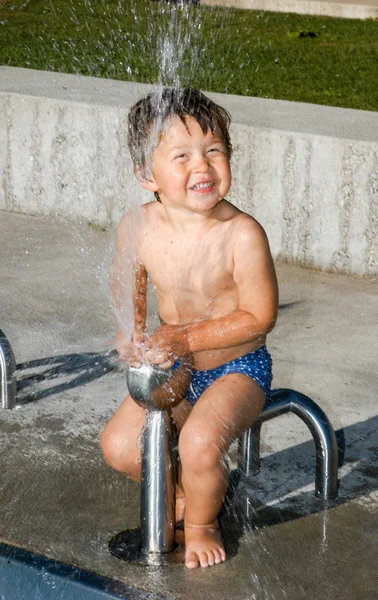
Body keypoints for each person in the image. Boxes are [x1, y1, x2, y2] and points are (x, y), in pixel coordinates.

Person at [101, 88, 278, 569]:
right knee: (119, 447)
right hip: (176, 367)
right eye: (182, 156)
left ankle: (202, 523)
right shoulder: (138, 226)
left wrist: (182, 337)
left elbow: (259, 317)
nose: (202, 167)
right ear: (145, 174)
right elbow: (128, 283)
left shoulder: (240, 233)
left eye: (214, 151)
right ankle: (183, 493)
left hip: (236, 368)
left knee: (200, 443)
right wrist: (132, 333)